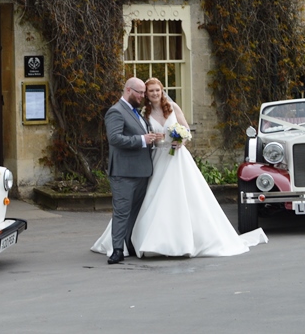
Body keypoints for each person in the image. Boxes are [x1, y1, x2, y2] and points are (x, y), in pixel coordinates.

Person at [92, 78, 268, 258]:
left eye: (156, 90)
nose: (152, 94)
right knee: (149, 200)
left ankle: (182, 239)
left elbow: (186, 129)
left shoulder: (172, 108)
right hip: (156, 159)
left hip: (177, 158)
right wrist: (150, 139)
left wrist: (181, 140)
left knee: (182, 196)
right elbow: (132, 136)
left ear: (162, 91)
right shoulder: (143, 112)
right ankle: (131, 242)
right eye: (149, 91)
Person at [101, 77, 165, 265]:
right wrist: (142, 140)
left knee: (135, 212)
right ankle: (117, 250)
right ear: (129, 90)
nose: (143, 96)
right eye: (140, 93)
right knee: (121, 212)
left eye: (144, 93)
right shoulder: (116, 111)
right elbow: (114, 139)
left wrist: (153, 139)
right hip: (123, 173)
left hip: (142, 171)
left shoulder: (137, 113)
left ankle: (129, 244)